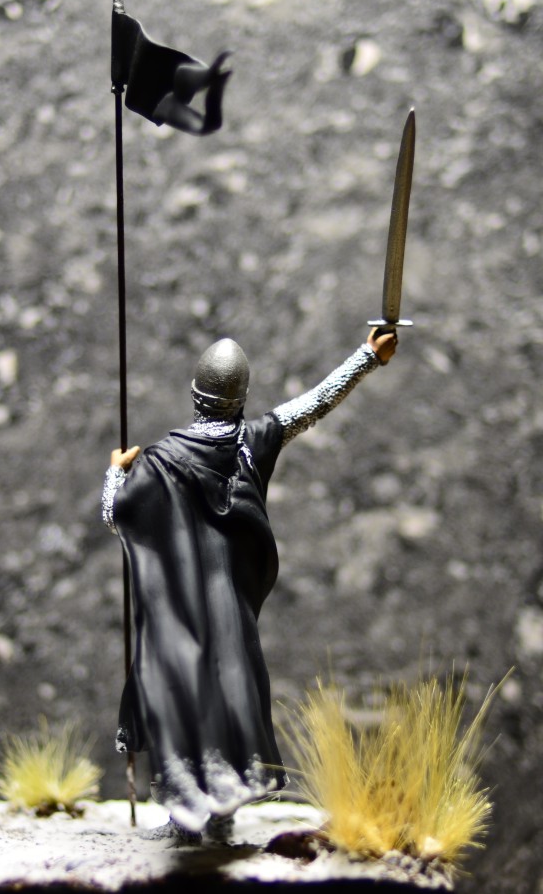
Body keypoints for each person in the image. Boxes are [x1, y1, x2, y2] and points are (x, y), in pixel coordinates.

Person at [102, 329, 397, 836]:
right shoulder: (253, 442)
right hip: (231, 609)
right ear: (240, 398)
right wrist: (368, 356)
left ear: (195, 395)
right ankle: (220, 816)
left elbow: (115, 517)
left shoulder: (158, 462)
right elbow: (315, 402)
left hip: (181, 609)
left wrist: (115, 473)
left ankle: (188, 819)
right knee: (230, 703)